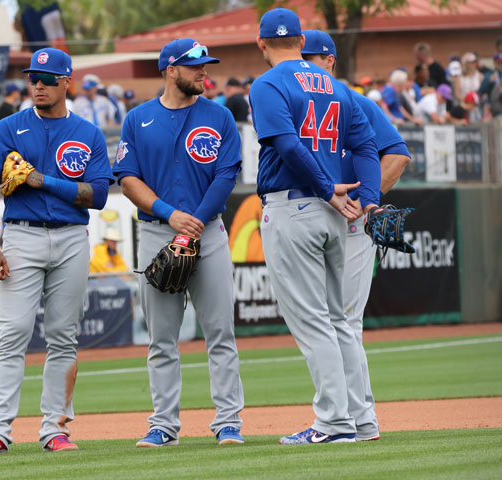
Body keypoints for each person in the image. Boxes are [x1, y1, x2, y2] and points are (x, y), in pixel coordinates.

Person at [0, 47, 114, 455]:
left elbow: (99, 195)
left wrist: (43, 181)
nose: (38, 84)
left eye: (48, 79)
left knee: (63, 338)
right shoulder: (8, 128)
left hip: (71, 237)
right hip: (21, 235)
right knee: (13, 333)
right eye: (33, 77)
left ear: (67, 81)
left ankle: (55, 429)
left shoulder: (87, 132)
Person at [249, 9, 381, 445]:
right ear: (303, 40)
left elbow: (286, 144)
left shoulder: (267, 83)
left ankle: (333, 423)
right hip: (335, 212)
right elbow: (365, 146)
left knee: (313, 322)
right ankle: (362, 421)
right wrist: (370, 199)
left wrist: (325, 188)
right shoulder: (336, 86)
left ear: (262, 44)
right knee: (340, 321)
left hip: (297, 205)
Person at [113, 38, 245, 447]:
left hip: (210, 231)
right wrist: (169, 213)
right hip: (156, 230)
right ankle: (163, 426)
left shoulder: (219, 116)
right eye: (195, 67)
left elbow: (227, 176)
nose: (204, 72)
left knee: (220, 332)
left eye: (206, 65)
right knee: (161, 338)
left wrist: (195, 222)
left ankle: (228, 422)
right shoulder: (137, 119)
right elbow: (128, 178)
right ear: (171, 70)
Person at [302, 29, 411, 442]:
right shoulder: (294, 104)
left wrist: (367, 201)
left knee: (344, 321)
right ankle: (348, 418)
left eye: (315, 58)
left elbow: (397, 155)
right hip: (313, 219)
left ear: (330, 60)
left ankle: (356, 420)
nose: (308, 65)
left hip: (349, 225)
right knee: (330, 322)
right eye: (302, 58)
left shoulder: (356, 101)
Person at [478, 53, 502, 120]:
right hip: (493, 106)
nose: (501, 65)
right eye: (499, 63)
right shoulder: (489, 75)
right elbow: (481, 91)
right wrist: (489, 82)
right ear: (494, 63)